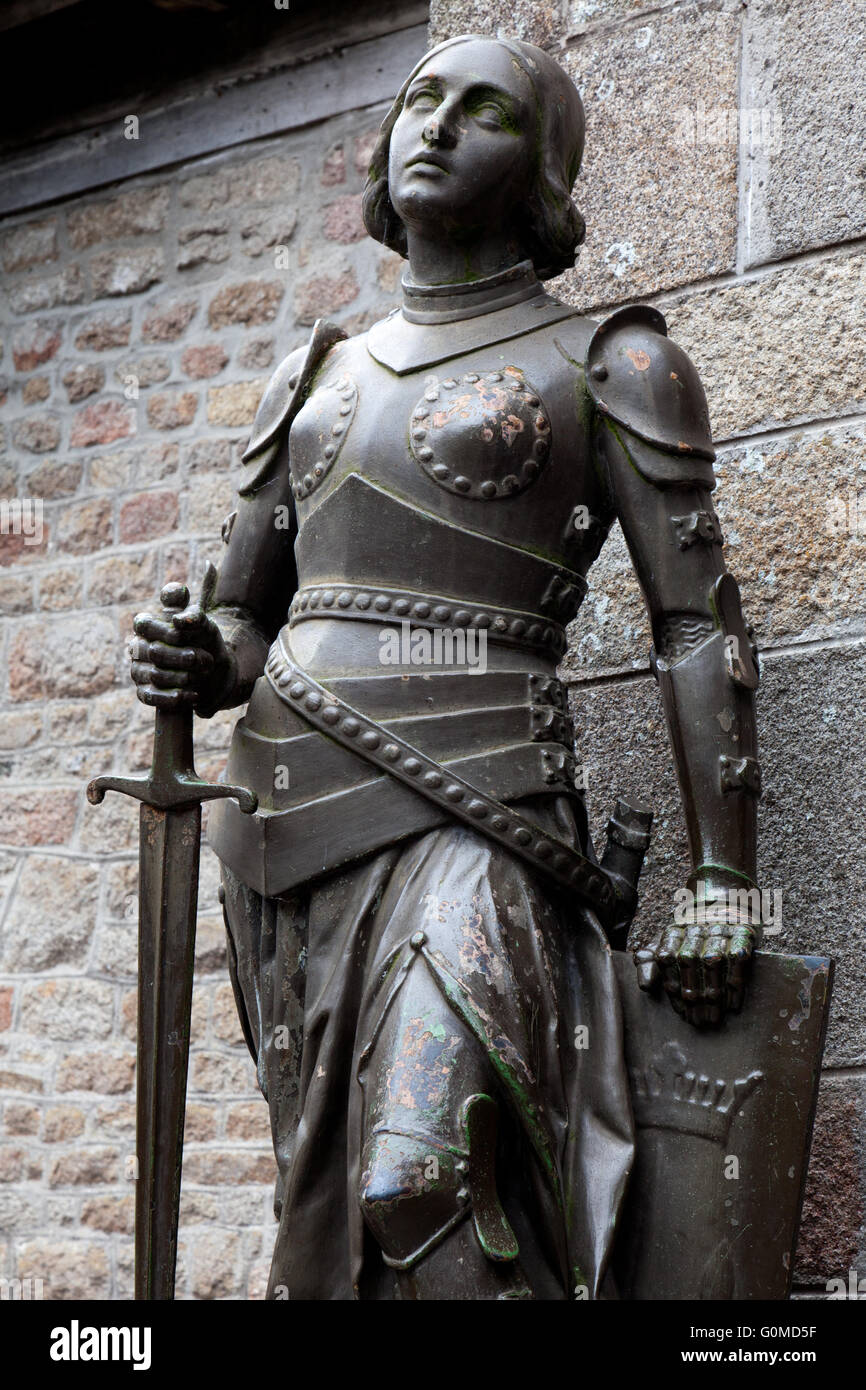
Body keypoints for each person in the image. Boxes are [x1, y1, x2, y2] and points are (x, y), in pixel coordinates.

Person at [128, 34, 762, 1300]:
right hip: (283, 825)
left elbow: (695, 626)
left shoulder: (610, 363)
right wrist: (201, 657)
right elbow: (247, 622)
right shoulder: (314, 376)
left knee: (420, 1175)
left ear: (542, 168)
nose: (436, 125)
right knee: (325, 1203)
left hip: (480, 815)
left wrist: (722, 878)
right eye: (420, 99)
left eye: (485, 110)